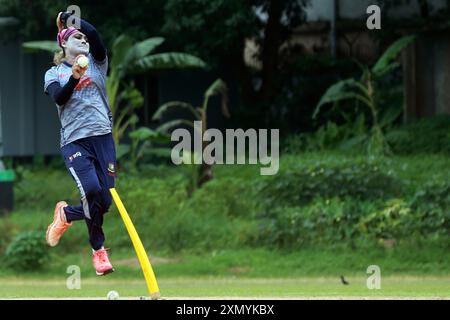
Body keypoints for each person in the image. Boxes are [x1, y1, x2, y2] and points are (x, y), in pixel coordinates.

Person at [43, 11, 116, 276]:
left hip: (103, 137)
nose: (84, 39)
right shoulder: (54, 73)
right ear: (64, 44)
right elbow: (60, 99)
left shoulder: (97, 63)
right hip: (74, 142)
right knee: (92, 191)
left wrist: (69, 19)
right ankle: (99, 250)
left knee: (105, 202)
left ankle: (66, 215)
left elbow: (95, 35)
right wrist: (74, 75)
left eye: (83, 37)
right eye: (77, 37)